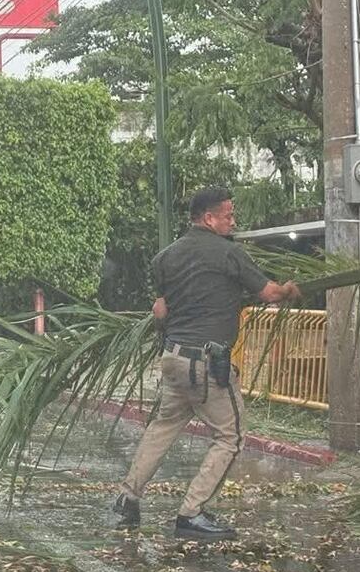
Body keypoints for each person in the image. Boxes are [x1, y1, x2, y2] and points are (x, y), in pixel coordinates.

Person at [113, 186, 301, 541]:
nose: (233, 220)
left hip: (173, 359)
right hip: (206, 362)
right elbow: (269, 293)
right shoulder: (229, 253)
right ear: (209, 218)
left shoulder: (164, 258)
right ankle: (191, 513)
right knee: (231, 436)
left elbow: (160, 311)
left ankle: (128, 497)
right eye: (228, 215)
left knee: (162, 428)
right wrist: (289, 289)